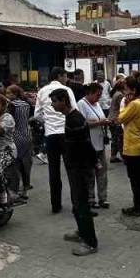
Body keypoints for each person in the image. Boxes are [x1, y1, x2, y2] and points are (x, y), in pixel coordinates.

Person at [51, 90, 98, 256]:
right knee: (76, 202)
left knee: (81, 204)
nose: (52, 105)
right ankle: (81, 231)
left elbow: (86, 145)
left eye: (55, 101)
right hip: (74, 167)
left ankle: (90, 242)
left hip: (80, 168)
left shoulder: (75, 119)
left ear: (64, 101)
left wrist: (93, 164)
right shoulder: (71, 117)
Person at [36, 68, 77, 213]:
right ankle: (76, 204)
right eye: (65, 75)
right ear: (60, 76)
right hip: (66, 133)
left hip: (51, 135)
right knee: (71, 169)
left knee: (53, 170)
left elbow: (37, 114)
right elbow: (74, 110)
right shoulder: (66, 90)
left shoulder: (42, 91)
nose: (67, 78)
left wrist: (47, 122)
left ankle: (56, 205)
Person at [117, 77, 140, 216]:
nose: (124, 91)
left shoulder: (134, 104)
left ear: (133, 90)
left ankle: (137, 207)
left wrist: (126, 104)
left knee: (135, 179)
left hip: (133, 146)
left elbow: (120, 118)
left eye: (126, 88)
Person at [77, 83, 111, 210]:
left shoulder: (96, 104)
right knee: (89, 173)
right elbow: (82, 123)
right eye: (97, 94)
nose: (99, 97)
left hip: (100, 144)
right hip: (89, 145)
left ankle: (103, 198)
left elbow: (100, 117)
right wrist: (99, 122)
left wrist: (105, 122)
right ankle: (90, 198)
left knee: (102, 172)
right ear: (90, 93)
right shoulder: (81, 104)